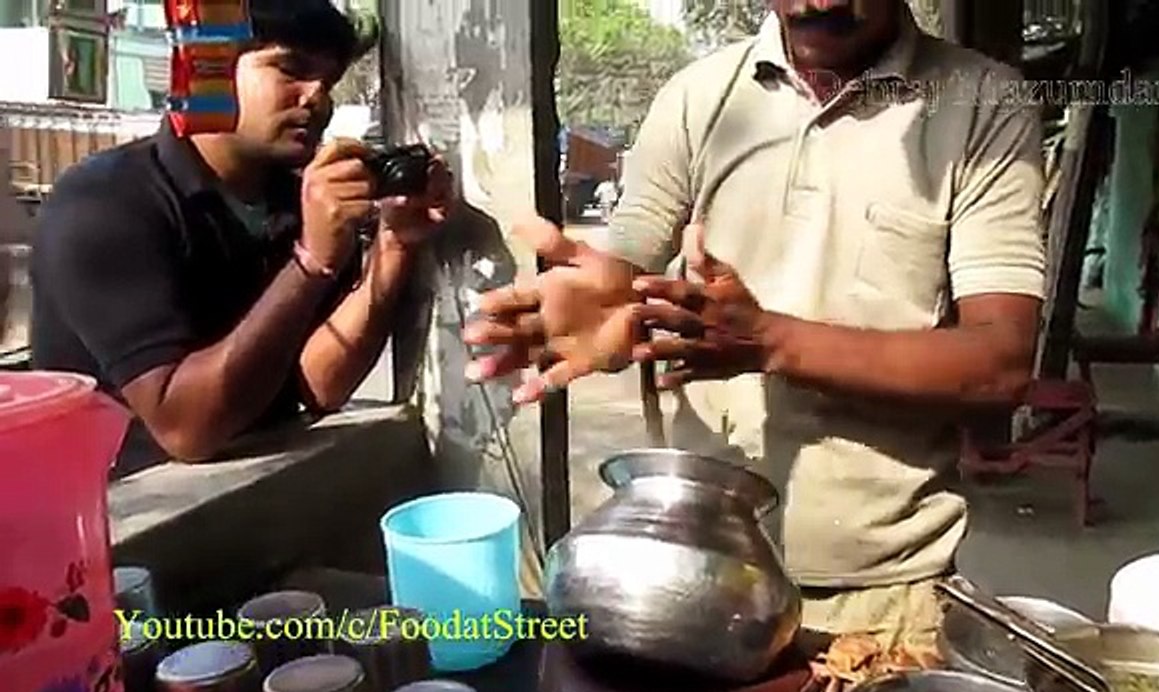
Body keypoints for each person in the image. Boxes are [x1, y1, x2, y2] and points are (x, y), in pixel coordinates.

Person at [464, 0, 1046, 647]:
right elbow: (625, 267)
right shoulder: (699, 98)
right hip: (699, 570)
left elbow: (999, 362)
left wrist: (770, 340)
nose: (815, 4)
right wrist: (602, 300)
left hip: (882, 597)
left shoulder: (984, 102)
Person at [31, 0, 453, 477]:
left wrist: (394, 245)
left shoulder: (292, 199)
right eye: (289, 69)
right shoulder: (103, 203)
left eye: (329, 82)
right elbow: (185, 427)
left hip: (259, 501)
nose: (317, 98)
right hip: (125, 520)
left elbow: (318, 384)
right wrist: (311, 263)